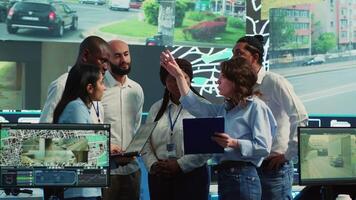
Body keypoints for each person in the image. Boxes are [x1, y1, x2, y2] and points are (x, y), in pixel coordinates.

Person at [161, 52, 277, 200]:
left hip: (243, 177)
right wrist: (178, 75)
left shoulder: (256, 107)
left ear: (236, 81)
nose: (217, 81)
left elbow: (263, 147)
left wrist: (234, 143)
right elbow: (193, 104)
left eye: (222, 77)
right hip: (226, 177)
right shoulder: (224, 109)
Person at [233, 35, 308, 200]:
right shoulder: (241, 86)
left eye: (239, 53)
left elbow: (300, 116)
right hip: (249, 167)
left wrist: (288, 155)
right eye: (233, 53)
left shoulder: (274, 81)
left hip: (273, 167)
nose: (234, 58)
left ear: (255, 57)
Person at [142, 58, 210, 200]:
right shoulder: (155, 108)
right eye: (172, 78)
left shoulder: (203, 106)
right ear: (164, 82)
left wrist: (180, 165)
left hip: (192, 177)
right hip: (160, 177)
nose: (177, 82)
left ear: (190, 79)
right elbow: (145, 142)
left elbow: (207, 147)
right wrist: (153, 165)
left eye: (182, 77)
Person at [53, 63, 106, 200]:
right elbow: (82, 151)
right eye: (101, 83)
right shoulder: (76, 107)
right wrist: (109, 150)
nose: (104, 88)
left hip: (85, 188)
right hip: (79, 191)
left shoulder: (79, 106)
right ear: (89, 88)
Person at [101, 40, 144, 200]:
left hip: (132, 170)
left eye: (126, 54)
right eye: (117, 56)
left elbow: (136, 127)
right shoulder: (99, 88)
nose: (123, 60)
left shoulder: (137, 89)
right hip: (106, 172)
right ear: (107, 58)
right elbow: (93, 129)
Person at [40, 35, 111, 123]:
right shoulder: (61, 85)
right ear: (85, 55)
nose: (106, 67)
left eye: (107, 62)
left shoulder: (96, 92)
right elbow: (46, 128)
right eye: (102, 60)